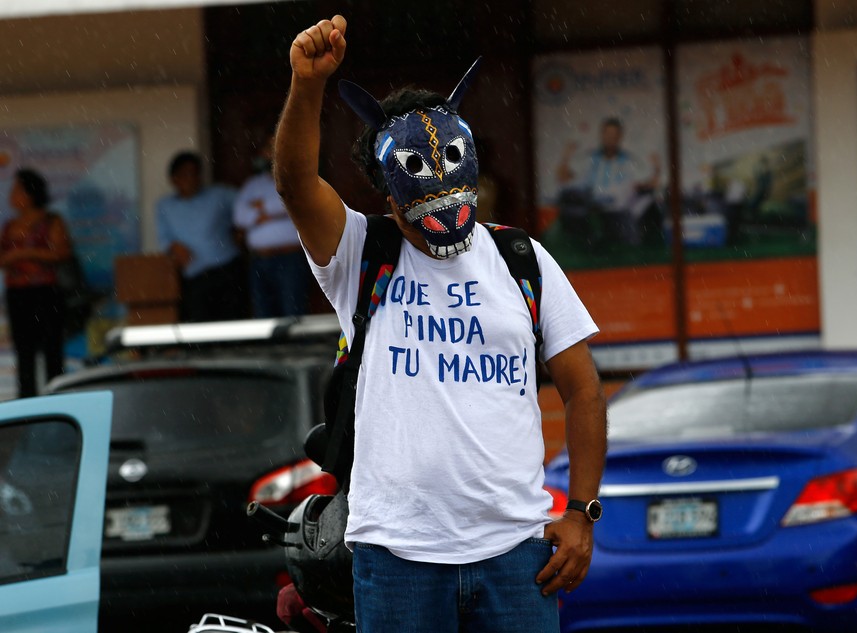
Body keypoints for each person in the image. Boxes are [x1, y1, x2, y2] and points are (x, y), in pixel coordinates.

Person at [273, 15, 607, 633]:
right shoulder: (358, 254)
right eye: (415, 180)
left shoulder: (520, 259)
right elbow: (294, 183)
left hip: (516, 557)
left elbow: (583, 388)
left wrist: (582, 513)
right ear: (385, 189)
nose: (441, 195)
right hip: (396, 559)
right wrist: (307, 85)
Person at [0, 169, 71, 398]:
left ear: (30, 193)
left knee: (52, 350)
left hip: (45, 293)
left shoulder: (51, 221)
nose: (12, 194)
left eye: (17, 189)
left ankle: (57, 403)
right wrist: (13, 259)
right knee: (24, 353)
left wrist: (25, 254)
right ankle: (27, 407)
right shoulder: (10, 226)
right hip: (18, 294)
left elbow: (61, 253)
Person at [156, 151, 247, 322]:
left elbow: (248, 206)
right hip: (194, 276)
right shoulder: (165, 206)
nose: (191, 178)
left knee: (233, 325)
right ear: (173, 179)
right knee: (200, 327)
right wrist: (173, 246)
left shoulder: (220, 194)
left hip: (227, 269)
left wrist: (243, 233)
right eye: (185, 174)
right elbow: (164, 238)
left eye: (195, 173)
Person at [234, 134, 308, 317]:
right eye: (268, 149)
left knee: (293, 311)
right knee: (263, 312)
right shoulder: (252, 185)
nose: (271, 154)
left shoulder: (297, 178)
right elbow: (240, 217)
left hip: (290, 257)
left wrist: (261, 207)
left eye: (275, 149)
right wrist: (274, 210)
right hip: (260, 260)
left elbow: (293, 203)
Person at [556, 117, 661, 245]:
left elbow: (648, 184)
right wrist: (566, 156)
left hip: (617, 214)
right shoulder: (591, 159)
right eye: (607, 134)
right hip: (591, 211)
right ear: (602, 135)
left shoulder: (629, 161)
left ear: (620, 137)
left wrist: (656, 169)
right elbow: (563, 178)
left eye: (614, 134)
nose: (610, 138)